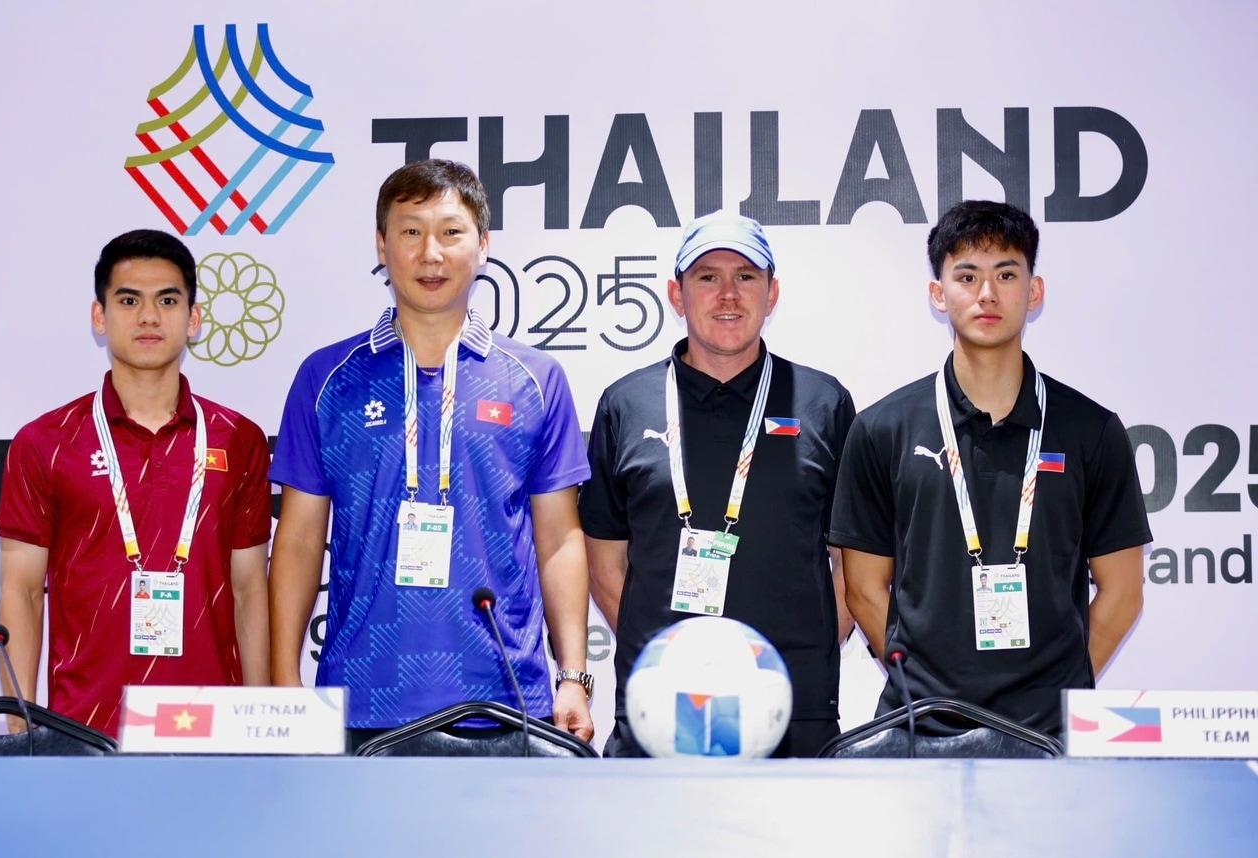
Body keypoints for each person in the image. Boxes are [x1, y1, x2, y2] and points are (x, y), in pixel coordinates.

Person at [268, 159, 595, 747]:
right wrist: (285, 676)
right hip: (361, 694)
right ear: (381, 244)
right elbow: (295, 540)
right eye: (411, 231)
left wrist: (572, 676)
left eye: (451, 232)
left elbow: (559, 538)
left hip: (506, 696)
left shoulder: (532, 378)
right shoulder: (328, 378)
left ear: (483, 245)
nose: (430, 254)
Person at [830, 200, 1150, 738]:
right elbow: (863, 588)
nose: (987, 294)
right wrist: (924, 686)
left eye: (1006, 274)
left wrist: (1058, 694)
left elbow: (1122, 592)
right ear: (938, 293)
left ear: (1035, 290)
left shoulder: (1090, 429)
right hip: (919, 728)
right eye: (967, 276)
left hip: (1050, 736)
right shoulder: (882, 429)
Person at [580, 210, 856, 758]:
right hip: (659, 705)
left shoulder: (824, 404)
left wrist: (805, 651)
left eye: (746, 277)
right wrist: (675, 654)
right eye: (707, 277)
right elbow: (603, 562)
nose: (727, 294)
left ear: (772, 293)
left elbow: (853, 561)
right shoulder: (625, 403)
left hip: (794, 706)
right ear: (676, 295)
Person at [0, 229, 272, 735]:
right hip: (83, 729)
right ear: (100, 316)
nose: (148, 317)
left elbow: (250, 590)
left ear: (194, 319)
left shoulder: (239, 440)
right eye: (129, 300)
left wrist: (260, 729)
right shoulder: (45, 442)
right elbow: (22, 590)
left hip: (214, 729)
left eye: (168, 300)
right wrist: (20, 731)